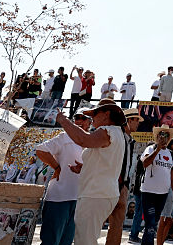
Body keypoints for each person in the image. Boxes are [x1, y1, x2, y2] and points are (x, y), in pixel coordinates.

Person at [55, 100, 128, 245]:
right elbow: (106, 163)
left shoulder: (108, 131)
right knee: (86, 238)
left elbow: (83, 139)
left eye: (95, 113)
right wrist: (85, 167)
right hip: (101, 193)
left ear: (107, 114)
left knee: (85, 240)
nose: (91, 117)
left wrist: (64, 121)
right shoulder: (117, 133)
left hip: (96, 194)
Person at [35, 107, 86, 245]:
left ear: (90, 122)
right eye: (77, 118)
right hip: (59, 198)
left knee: (67, 241)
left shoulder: (90, 143)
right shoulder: (65, 137)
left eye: (84, 118)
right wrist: (57, 167)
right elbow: (40, 150)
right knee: (51, 241)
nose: (80, 121)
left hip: (77, 199)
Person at [105, 108, 142, 245]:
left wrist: (125, 185)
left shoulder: (130, 141)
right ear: (128, 120)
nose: (138, 123)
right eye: (136, 120)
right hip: (110, 183)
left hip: (122, 185)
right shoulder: (115, 135)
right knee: (96, 223)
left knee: (117, 225)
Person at [139, 130, 173, 245]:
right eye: (161, 135)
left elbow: (172, 178)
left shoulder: (170, 154)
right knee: (150, 223)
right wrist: (157, 150)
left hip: (162, 194)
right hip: (149, 192)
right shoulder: (150, 149)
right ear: (157, 137)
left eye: (166, 136)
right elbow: (145, 163)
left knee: (153, 223)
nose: (164, 138)